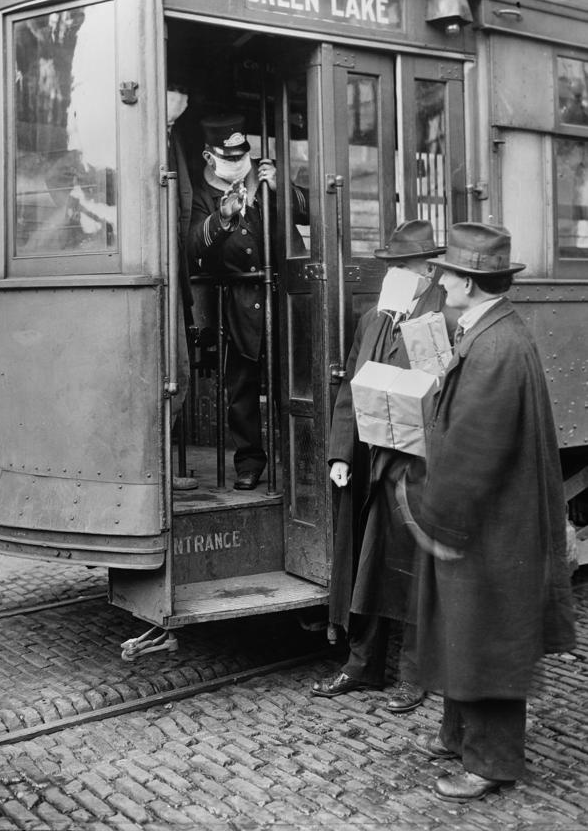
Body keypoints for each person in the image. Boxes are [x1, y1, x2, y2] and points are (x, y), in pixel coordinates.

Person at [408, 222, 576, 801]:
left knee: (489, 637)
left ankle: (490, 762)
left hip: (488, 524)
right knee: (470, 629)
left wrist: (440, 517)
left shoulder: (495, 344)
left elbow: (477, 445)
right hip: (491, 518)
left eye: (448, 272)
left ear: (473, 284)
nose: (440, 279)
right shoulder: (492, 331)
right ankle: (460, 736)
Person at [312, 219, 451, 714]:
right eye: (390, 264)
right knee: (367, 565)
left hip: (417, 466)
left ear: (429, 269)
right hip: (371, 463)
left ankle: (416, 673)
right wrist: (339, 453)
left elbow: (448, 395)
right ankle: (362, 664)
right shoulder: (374, 318)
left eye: (402, 265)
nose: (392, 271)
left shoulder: (444, 319)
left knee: (415, 567)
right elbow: (351, 387)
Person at [187, 113, 308, 490]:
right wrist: (222, 219)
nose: (239, 164)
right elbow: (193, 246)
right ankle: (250, 462)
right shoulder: (204, 192)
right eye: (230, 158)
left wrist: (281, 190)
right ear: (210, 158)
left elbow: (307, 212)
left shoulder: (265, 175)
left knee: (292, 383)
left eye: (242, 157)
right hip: (239, 300)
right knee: (242, 388)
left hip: (284, 296)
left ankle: (300, 458)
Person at [167, 80, 197, 491]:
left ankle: (160, 469)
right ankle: (157, 471)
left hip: (173, 268)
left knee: (179, 372)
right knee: (174, 372)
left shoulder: (170, 136)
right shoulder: (155, 134)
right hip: (161, 267)